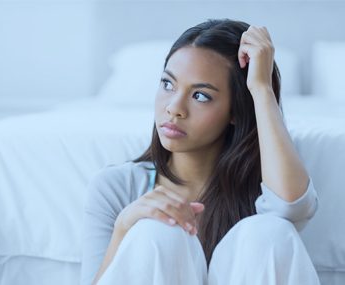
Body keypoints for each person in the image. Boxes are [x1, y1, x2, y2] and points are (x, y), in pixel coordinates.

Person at [80, 18, 321, 285]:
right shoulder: (115, 187)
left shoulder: (265, 189)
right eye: (167, 84)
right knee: (156, 231)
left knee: (271, 231)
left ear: (235, 111)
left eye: (200, 96)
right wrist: (124, 228)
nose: (174, 107)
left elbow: (291, 205)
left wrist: (261, 89)